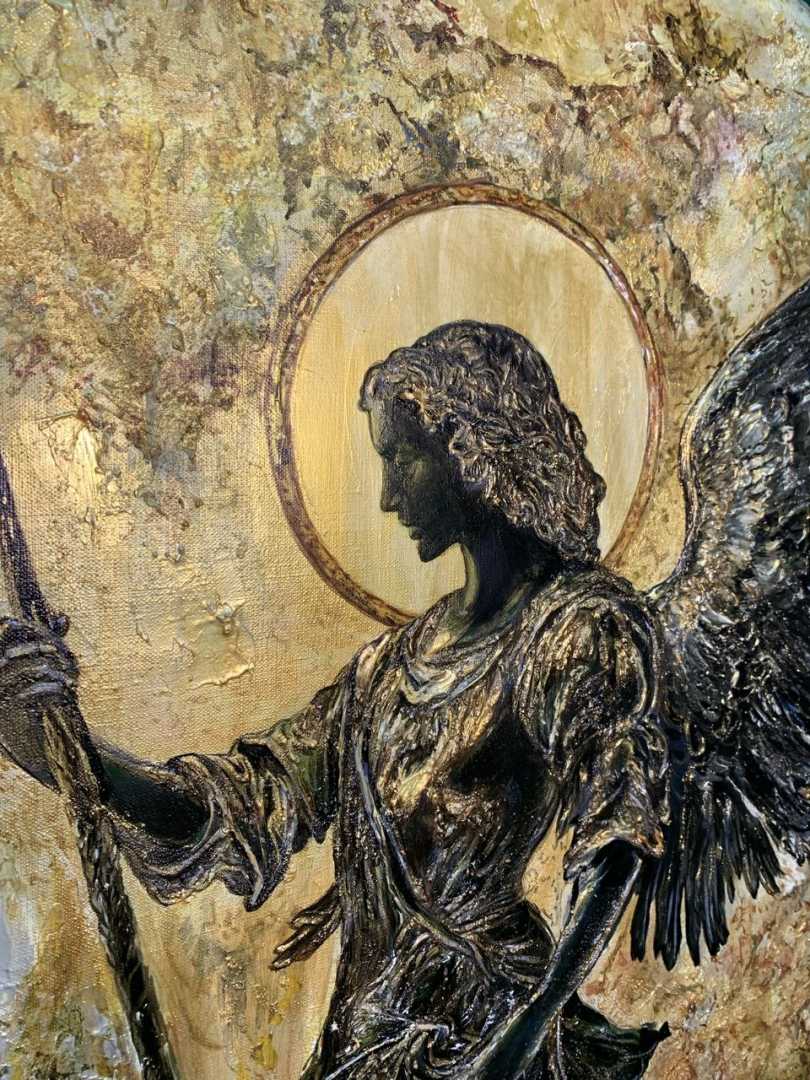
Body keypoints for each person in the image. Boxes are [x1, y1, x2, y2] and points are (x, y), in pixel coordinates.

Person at [0, 321, 670, 1078]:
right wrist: (61, 748)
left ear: (468, 448)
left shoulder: (578, 629)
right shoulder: (384, 674)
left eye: (401, 458)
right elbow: (239, 804)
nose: (387, 495)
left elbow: (618, 839)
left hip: (488, 1035)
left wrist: (522, 1036)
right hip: (366, 1038)